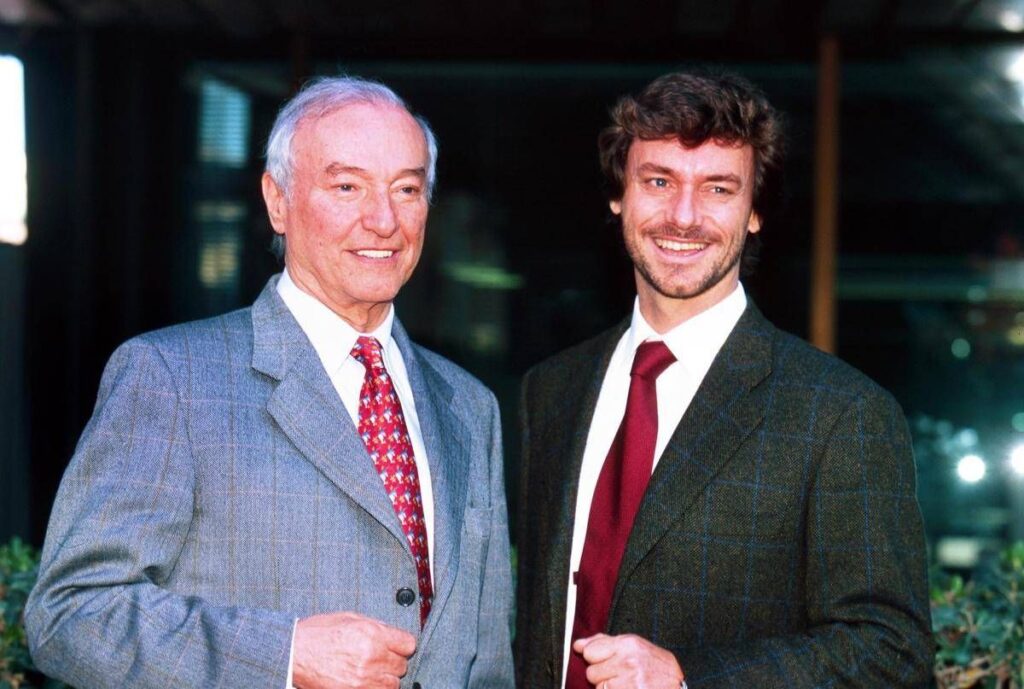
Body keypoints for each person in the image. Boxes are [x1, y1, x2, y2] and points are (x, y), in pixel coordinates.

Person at [25, 75, 514, 689]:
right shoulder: (171, 378)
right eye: (347, 186)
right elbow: (69, 615)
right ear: (277, 201)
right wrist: (283, 655)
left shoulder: (469, 406)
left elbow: (488, 664)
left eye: (406, 189)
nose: (384, 220)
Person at [515, 70, 932, 689]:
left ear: (755, 211)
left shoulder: (841, 413)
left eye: (717, 188)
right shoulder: (550, 392)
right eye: (659, 182)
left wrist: (688, 676)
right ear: (618, 195)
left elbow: (891, 653)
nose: (683, 217)